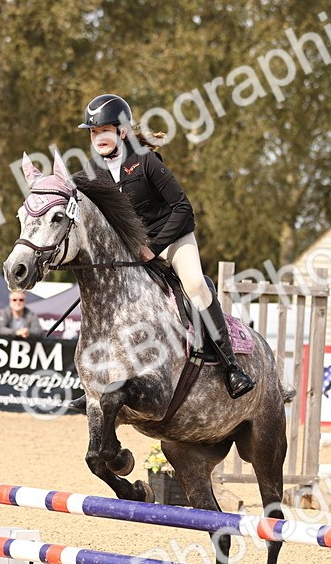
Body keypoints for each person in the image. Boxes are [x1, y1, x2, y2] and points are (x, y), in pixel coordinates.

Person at [70, 93, 254, 408]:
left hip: (171, 239)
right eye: (92, 131)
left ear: (122, 131)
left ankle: (230, 367)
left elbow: (183, 208)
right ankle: (93, 383)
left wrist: (153, 248)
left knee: (195, 284)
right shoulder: (91, 171)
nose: (97, 137)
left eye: (104, 130)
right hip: (129, 251)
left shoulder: (145, 161)